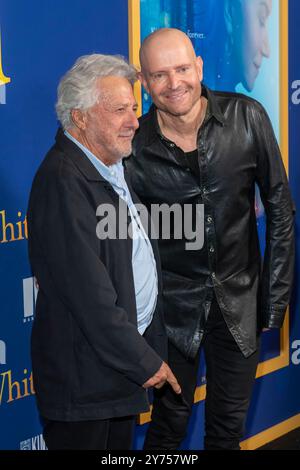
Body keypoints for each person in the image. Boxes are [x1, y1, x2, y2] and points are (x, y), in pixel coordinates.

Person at [125, 28, 295, 450]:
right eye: (159, 75)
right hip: (169, 314)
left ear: (199, 67)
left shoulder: (248, 116)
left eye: (182, 69)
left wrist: (273, 302)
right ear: (144, 83)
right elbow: (127, 243)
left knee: (227, 431)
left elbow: (279, 208)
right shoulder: (135, 147)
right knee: (167, 430)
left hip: (240, 304)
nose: (174, 83)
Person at [27, 53, 181, 451]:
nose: (134, 121)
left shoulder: (111, 165)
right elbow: (90, 299)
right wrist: (145, 362)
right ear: (80, 117)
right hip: (86, 385)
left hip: (115, 374)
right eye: (119, 110)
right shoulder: (64, 180)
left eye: (134, 108)